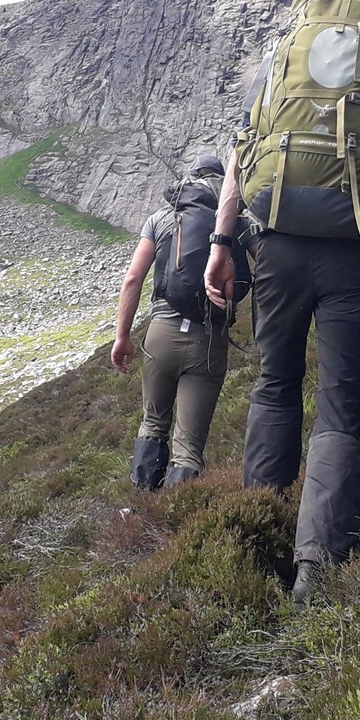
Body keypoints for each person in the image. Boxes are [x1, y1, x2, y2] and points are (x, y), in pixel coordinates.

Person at [204, 18, 360, 603]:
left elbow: (241, 155)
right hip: (357, 253)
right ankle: (315, 570)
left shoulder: (282, 61)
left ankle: (259, 546)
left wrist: (220, 245)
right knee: (338, 410)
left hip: (276, 247)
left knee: (274, 383)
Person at [111, 154, 249, 489]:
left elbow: (133, 278)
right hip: (208, 342)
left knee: (153, 423)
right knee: (188, 448)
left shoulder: (161, 218)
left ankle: (143, 507)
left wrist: (122, 336)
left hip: (161, 336)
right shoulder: (234, 221)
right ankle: (175, 521)